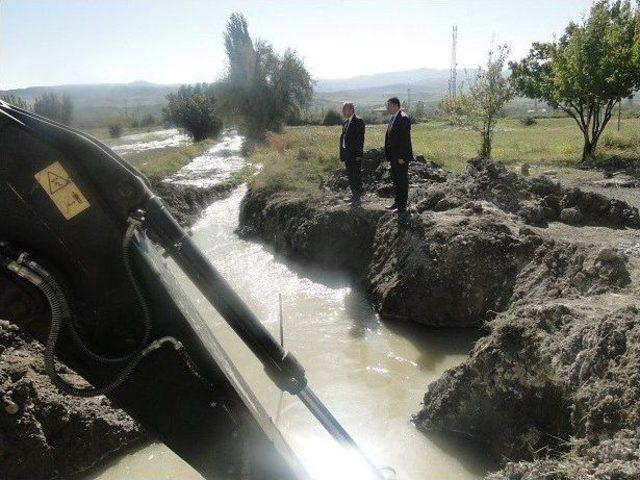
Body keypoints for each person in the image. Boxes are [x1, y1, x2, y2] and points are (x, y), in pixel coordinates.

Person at [384, 97, 413, 213]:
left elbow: (404, 139)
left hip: (400, 157)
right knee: (396, 180)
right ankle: (397, 202)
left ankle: (402, 206)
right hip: (393, 156)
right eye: (387, 105)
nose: (388, 108)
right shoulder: (393, 118)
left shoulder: (403, 118)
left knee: (402, 181)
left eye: (389, 105)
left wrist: (402, 156)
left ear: (396, 105)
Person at [339, 102, 365, 206]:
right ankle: (354, 195)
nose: (343, 112)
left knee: (356, 175)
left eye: (345, 109)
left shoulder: (358, 121)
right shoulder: (345, 123)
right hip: (347, 154)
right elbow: (343, 139)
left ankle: (357, 198)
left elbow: (360, 139)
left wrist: (359, 154)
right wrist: (342, 154)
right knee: (350, 175)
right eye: (343, 110)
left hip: (355, 154)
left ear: (351, 110)